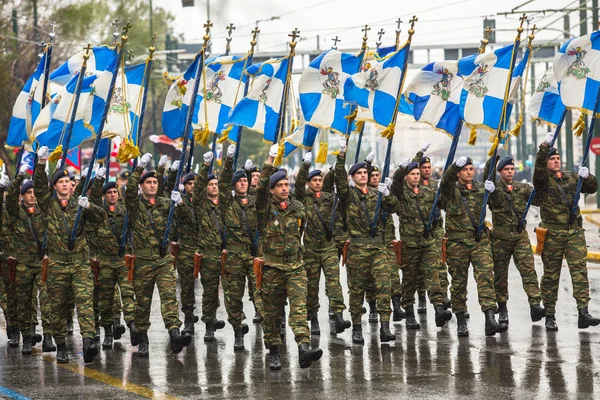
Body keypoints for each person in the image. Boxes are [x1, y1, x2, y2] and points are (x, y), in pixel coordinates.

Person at [34, 146, 104, 363]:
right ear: (54, 186)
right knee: (57, 307)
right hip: (56, 264)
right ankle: (61, 344)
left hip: (79, 263)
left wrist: (90, 205)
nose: (65, 184)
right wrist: (41, 163)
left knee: (85, 301)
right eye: (61, 182)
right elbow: (38, 187)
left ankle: (89, 340)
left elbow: (100, 218)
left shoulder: (80, 203)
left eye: (68, 182)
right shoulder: (48, 205)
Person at [256, 144, 322, 370]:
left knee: (299, 309)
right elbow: (260, 188)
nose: (285, 188)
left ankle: (303, 347)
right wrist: (270, 159)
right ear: (272, 189)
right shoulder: (264, 208)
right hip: (272, 268)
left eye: (286, 184)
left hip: (295, 267)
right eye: (280, 186)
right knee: (272, 312)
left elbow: (303, 195)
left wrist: (305, 166)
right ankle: (273, 351)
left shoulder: (297, 207)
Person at [125, 153, 192, 356]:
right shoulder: (135, 206)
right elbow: (128, 191)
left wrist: (180, 204)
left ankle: (174, 334)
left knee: (169, 298)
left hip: (163, 260)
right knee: (143, 302)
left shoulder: (165, 203)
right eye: (148, 182)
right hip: (144, 261)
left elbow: (187, 218)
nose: (153, 185)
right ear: (142, 186)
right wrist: (140, 168)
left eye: (155, 182)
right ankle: (143, 338)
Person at [533, 133, 599, 331]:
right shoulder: (543, 181)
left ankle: (583, 312)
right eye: (552, 159)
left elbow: (592, 188)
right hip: (552, 233)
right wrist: (544, 146)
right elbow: (538, 171)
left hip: (574, 232)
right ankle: (550, 315)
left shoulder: (571, 176)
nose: (556, 161)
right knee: (551, 275)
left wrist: (588, 176)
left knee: (579, 271)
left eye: (557, 158)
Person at [335, 138, 399, 344]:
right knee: (357, 290)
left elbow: (394, 207)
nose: (364, 175)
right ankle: (356, 327)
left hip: (378, 247)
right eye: (359, 173)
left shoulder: (376, 194)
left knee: (384, 285)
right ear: (352, 177)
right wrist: (341, 156)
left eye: (366, 173)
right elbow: (339, 181)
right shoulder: (349, 195)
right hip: (358, 248)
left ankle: (385, 327)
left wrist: (388, 194)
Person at [440, 155, 507, 337]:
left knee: (486, 277)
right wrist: (454, 166)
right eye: (465, 170)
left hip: (480, 241)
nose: (469, 172)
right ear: (459, 173)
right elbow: (445, 183)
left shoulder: (480, 188)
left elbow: (498, 204)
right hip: (457, 243)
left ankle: (490, 320)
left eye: (470, 169)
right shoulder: (451, 191)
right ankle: (461, 321)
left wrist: (493, 160)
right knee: (459, 283)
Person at [391, 160, 452, 329]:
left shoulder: (428, 191)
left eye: (418, 174)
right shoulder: (401, 194)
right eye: (412, 174)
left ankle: (439, 309)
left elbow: (442, 204)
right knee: (409, 280)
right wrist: (401, 169)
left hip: (428, 242)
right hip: (410, 245)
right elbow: (395, 185)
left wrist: (444, 187)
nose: (416, 177)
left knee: (433, 275)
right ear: (406, 177)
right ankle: (409, 313)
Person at [295, 151, 350, 336]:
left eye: (320, 180)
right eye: (314, 180)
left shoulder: (328, 198)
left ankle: (339, 315)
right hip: (310, 249)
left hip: (328, 248)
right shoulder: (303, 200)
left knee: (334, 282)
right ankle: (314, 317)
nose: (318, 183)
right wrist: (305, 166)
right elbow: (297, 188)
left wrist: (336, 168)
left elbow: (337, 189)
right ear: (309, 183)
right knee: (311, 286)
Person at [486, 156, 545, 325]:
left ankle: (535, 305)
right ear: (500, 172)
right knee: (500, 274)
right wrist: (493, 159)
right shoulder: (494, 189)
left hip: (519, 236)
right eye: (506, 169)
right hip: (500, 238)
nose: (510, 172)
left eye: (512, 169)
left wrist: (539, 185)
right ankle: (502, 308)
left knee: (528, 270)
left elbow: (538, 201)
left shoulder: (523, 188)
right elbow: (486, 180)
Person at [7, 166, 55, 354]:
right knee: (24, 302)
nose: (32, 195)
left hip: (41, 262)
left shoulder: (44, 212)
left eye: (34, 192)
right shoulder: (16, 212)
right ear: (22, 196)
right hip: (23, 264)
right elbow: (10, 197)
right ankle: (27, 338)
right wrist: (19, 176)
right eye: (28, 193)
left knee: (47, 300)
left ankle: (48, 337)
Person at [219, 145, 263, 350]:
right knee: (234, 296)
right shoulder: (228, 204)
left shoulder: (256, 201)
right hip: (235, 256)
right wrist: (228, 160)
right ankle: (238, 330)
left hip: (254, 255)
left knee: (260, 292)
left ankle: (269, 329)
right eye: (240, 181)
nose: (244, 183)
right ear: (234, 185)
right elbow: (222, 183)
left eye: (246, 180)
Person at [88, 171, 136, 349]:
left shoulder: (125, 210)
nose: (113, 195)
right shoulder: (98, 213)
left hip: (123, 260)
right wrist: (99, 179)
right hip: (105, 262)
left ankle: (132, 326)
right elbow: (92, 202)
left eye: (115, 192)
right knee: (105, 299)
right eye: (109, 193)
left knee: (128, 293)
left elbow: (132, 198)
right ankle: (107, 332)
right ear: (104, 196)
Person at [412, 143, 451, 313]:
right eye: (424, 167)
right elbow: (409, 168)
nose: (427, 170)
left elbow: (445, 204)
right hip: (419, 231)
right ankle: (421, 297)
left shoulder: (436, 184)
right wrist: (419, 154)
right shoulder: (414, 186)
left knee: (440, 264)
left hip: (436, 230)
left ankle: (443, 296)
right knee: (421, 268)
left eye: (429, 167)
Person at [193, 152, 227, 342]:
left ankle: (236, 324)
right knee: (210, 291)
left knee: (232, 291)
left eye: (216, 184)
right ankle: (209, 324)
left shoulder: (225, 204)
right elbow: (197, 191)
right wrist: (205, 166)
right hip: (208, 256)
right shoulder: (201, 205)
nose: (214, 187)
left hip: (226, 254)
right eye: (211, 184)